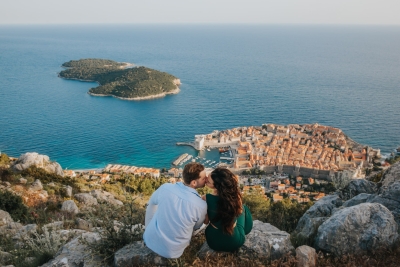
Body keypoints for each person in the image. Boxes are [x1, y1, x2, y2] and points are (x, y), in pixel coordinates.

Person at [143, 162, 207, 258]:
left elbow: (151, 202)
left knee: (155, 205)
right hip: (173, 253)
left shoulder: (165, 187)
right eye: (203, 178)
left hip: (148, 240)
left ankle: (150, 231)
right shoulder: (201, 205)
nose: (206, 179)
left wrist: (148, 226)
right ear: (194, 182)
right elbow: (196, 227)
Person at [202, 167, 253, 252]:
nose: (206, 179)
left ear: (217, 186)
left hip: (213, 242)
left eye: (208, 180)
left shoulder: (205, 198)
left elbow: (206, 221)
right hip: (235, 241)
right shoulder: (235, 197)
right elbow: (238, 212)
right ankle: (244, 231)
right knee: (243, 208)